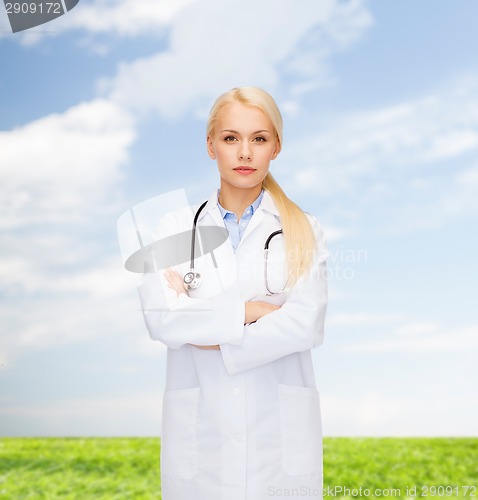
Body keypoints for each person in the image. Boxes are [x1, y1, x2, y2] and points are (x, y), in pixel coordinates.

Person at [137, 86, 328, 500]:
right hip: (200, 445)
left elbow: (305, 325)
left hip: (279, 446)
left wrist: (204, 326)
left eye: (259, 139)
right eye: (230, 138)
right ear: (210, 146)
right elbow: (161, 318)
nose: (245, 153)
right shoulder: (173, 228)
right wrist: (250, 311)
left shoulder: (305, 229)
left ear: (276, 147)